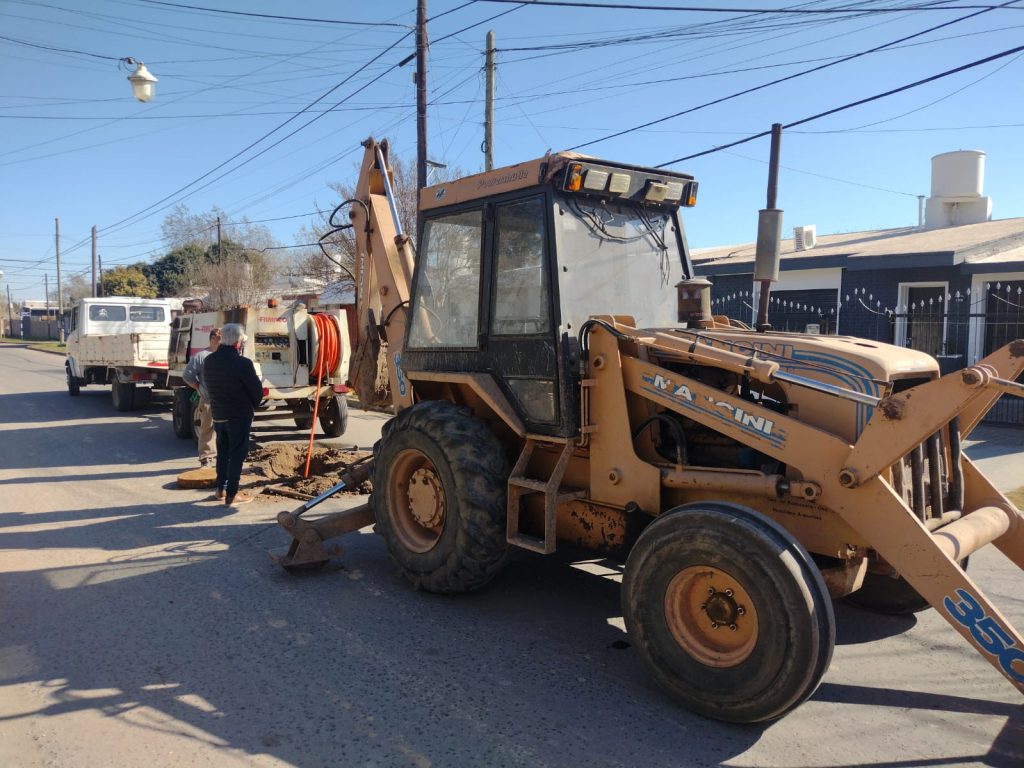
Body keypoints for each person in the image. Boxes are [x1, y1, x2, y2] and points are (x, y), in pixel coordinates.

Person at [203, 323, 262, 506]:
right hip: (239, 415)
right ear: (238, 342)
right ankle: (232, 494)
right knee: (237, 454)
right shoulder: (243, 363)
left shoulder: (209, 360)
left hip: (219, 413)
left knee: (223, 452)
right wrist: (254, 404)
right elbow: (256, 391)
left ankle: (221, 489)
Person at [181, 326, 220, 468]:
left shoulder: (226, 355)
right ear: (213, 338)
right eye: (220, 337)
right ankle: (207, 459)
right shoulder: (201, 356)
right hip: (208, 400)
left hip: (225, 401)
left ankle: (223, 458)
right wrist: (199, 387)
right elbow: (187, 376)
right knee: (208, 429)